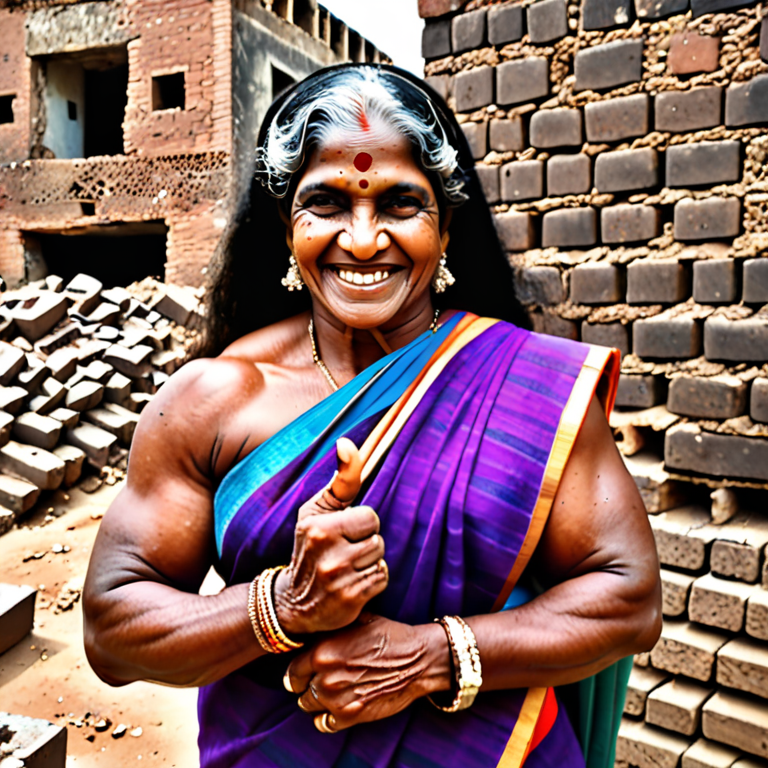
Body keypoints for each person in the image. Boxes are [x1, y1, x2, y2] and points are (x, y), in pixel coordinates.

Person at [83, 64, 661, 768]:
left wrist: (431, 657)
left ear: (446, 226)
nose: (362, 240)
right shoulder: (213, 400)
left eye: (399, 204)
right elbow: (114, 629)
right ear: (283, 222)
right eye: (326, 202)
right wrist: (283, 606)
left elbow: (629, 599)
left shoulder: (525, 385)